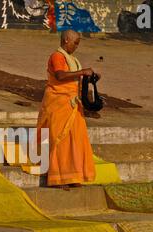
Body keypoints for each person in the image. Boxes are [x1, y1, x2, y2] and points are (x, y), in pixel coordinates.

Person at [37, 30, 97, 188]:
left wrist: (89, 77)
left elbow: (75, 78)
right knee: (59, 140)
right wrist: (83, 72)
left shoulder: (73, 59)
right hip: (58, 103)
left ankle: (73, 177)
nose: (77, 46)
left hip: (73, 105)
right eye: (75, 42)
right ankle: (56, 179)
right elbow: (60, 76)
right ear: (66, 40)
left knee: (76, 140)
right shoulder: (57, 56)